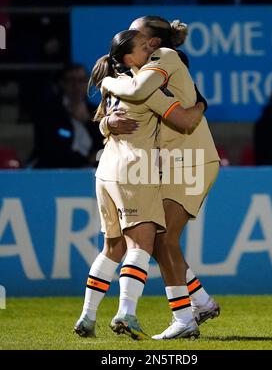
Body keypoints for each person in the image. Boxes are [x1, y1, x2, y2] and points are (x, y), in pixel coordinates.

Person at [74, 29, 205, 340]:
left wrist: (106, 121)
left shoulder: (113, 87)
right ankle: (126, 312)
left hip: (105, 168)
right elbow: (185, 121)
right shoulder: (144, 89)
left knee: (112, 247)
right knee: (141, 246)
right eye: (143, 48)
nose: (150, 51)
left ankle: (87, 317)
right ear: (128, 58)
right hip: (135, 170)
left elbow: (101, 120)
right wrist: (201, 103)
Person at [29, 64, 102, 168]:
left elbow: (105, 144)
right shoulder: (49, 112)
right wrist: (84, 161)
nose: (76, 86)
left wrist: (87, 122)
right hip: (56, 170)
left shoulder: (96, 112)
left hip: (90, 171)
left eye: (81, 81)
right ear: (62, 83)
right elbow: (49, 148)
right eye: (71, 80)